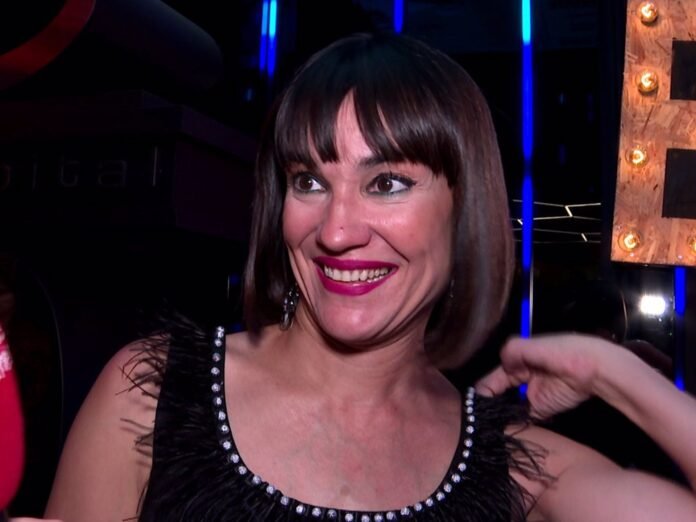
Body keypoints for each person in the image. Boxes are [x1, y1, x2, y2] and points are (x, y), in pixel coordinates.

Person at [44, 33, 696, 521]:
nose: (336, 230)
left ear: (464, 213)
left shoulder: (516, 466)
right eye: (309, 182)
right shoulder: (156, 396)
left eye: (387, 183)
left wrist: (617, 373)